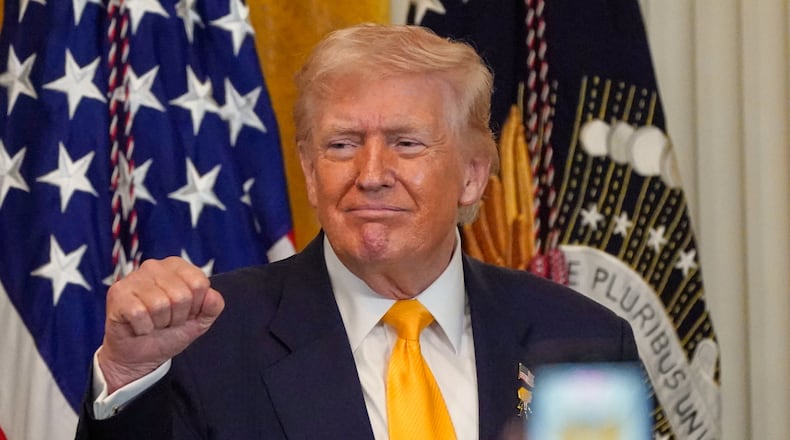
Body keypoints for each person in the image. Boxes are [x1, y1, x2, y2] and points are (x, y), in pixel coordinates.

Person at [75, 23, 640, 440]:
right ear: (310, 172)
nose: (370, 175)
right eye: (342, 145)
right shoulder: (206, 339)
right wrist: (129, 375)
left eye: (406, 143)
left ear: (472, 176)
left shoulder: (581, 341)